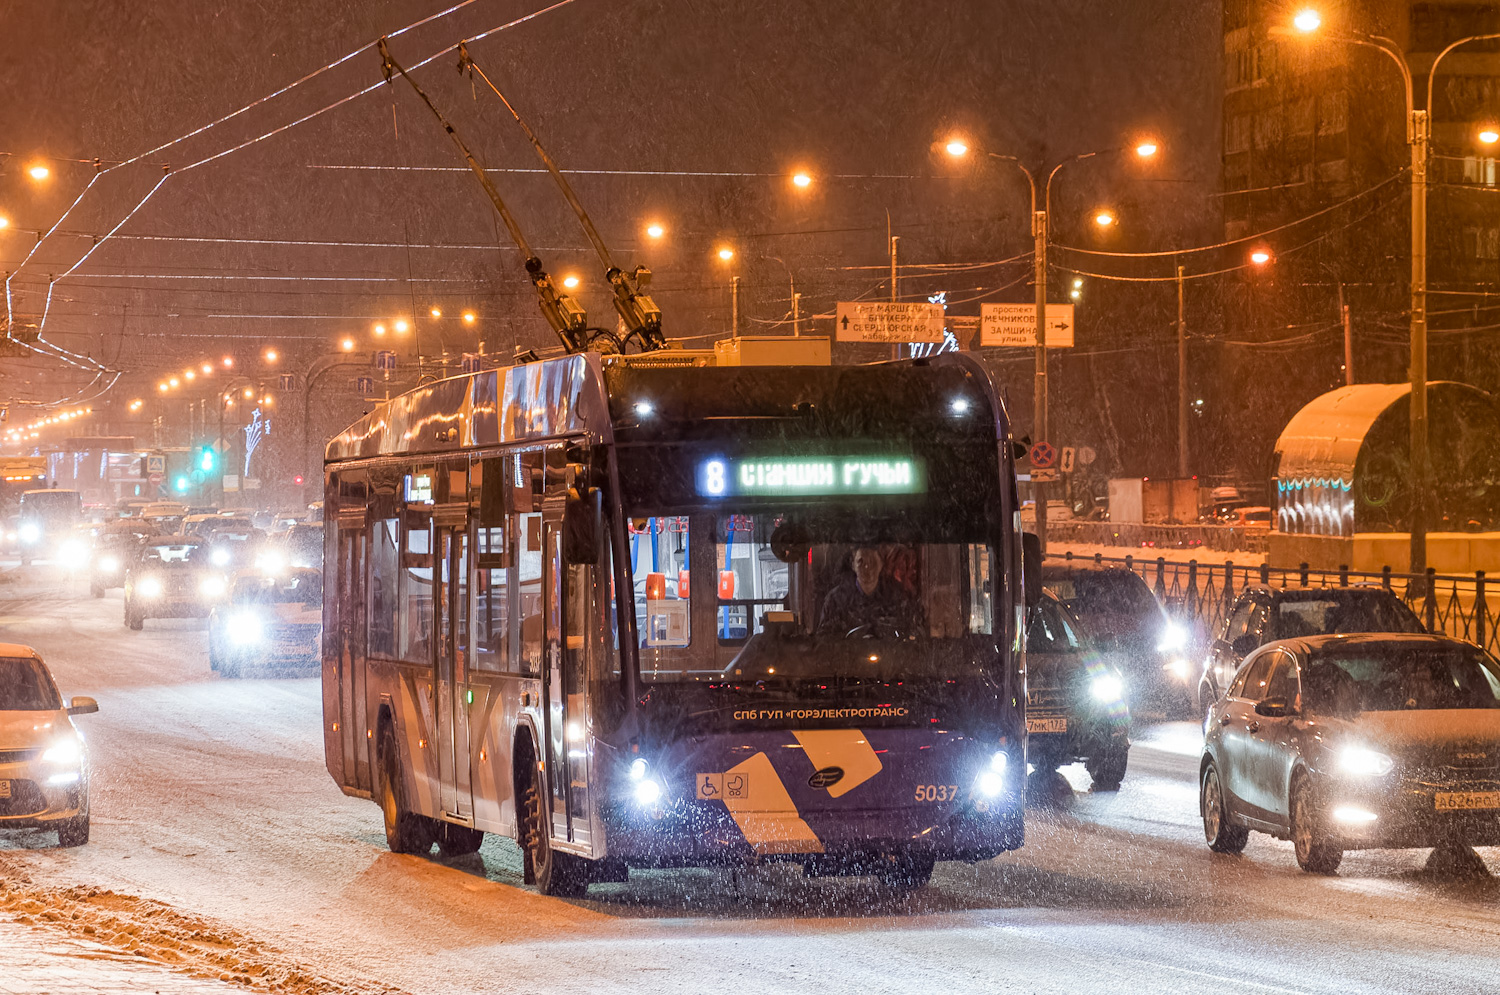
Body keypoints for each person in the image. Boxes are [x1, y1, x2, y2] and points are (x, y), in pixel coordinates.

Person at [817, 546, 923, 636]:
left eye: (872, 562)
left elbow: (914, 636)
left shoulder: (898, 598)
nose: (867, 567)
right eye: (861, 562)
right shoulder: (836, 601)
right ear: (853, 565)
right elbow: (823, 641)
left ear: (881, 564)